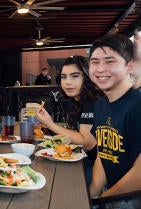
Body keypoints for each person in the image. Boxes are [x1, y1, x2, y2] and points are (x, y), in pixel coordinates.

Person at [88, 34, 141, 207]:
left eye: (109, 61)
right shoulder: (100, 105)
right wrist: (90, 195)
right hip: (112, 197)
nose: (100, 69)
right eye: (95, 62)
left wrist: (104, 198)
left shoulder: (137, 104)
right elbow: (104, 155)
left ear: (129, 67)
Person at [36, 55, 102, 183]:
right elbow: (76, 133)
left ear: (86, 77)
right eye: (63, 77)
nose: (68, 82)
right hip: (80, 159)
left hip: (95, 167)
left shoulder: (92, 101)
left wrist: (50, 124)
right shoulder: (75, 100)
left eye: (75, 76)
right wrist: (50, 128)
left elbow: (87, 143)